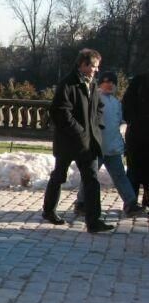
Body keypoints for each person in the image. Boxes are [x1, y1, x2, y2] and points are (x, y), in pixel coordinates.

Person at [42, 48, 114, 233]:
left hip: (89, 143)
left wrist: (96, 126)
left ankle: (94, 221)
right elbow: (60, 113)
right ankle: (49, 210)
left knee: (92, 180)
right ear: (83, 64)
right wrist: (80, 132)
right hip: (68, 142)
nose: (96, 70)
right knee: (59, 176)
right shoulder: (67, 84)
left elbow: (98, 107)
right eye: (94, 66)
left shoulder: (92, 84)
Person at [75, 71, 143, 217]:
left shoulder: (116, 103)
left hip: (112, 148)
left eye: (112, 82)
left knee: (120, 177)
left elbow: (119, 123)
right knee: (90, 176)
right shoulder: (94, 98)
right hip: (96, 147)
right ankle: (81, 202)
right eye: (107, 82)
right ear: (101, 83)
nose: (110, 85)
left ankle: (130, 203)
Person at [123, 69, 149, 209]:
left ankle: (146, 199)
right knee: (134, 170)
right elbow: (127, 104)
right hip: (137, 134)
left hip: (138, 131)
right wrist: (133, 121)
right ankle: (131, 202)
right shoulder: (139, 81)